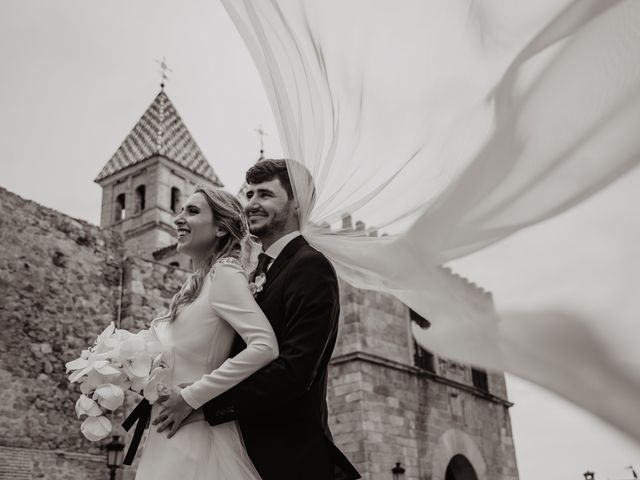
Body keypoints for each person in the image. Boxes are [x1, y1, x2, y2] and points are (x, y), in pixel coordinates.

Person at [201, 159, 360, 480]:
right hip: (241, 453)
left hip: (288, 459)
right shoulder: (260, 270)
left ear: (297, 203)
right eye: (249, 195)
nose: (251, 204)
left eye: (265, 195)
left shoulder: (310, 266)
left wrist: (206, 407)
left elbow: (295, 372)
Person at [134, 188, 279, 480]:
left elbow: (265, 346)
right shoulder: (193, 285)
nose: (178, 219)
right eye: (181, 210)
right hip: (169, 434)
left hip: (196, 437)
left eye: (192, 211)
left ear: (221, 229)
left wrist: (191, 397)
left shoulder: (224, 273)